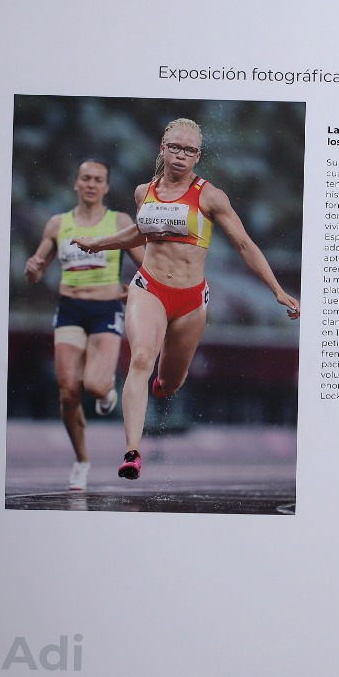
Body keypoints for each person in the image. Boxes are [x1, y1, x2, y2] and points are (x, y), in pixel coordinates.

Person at [71, 118, 300, 480]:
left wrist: (277, 290)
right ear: (162, 149)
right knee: (141, 358)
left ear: (198, 156)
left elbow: (244, 244)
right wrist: (97, 243)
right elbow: (140, 233)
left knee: (171, 382)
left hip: (191, 300)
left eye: (189, 150)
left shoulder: (210, 196)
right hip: (149, 288)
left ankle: (166, 385)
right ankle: (132, 452)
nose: (181, 155)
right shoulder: (142, 191)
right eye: (174, 147)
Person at [24, 159, 140, 490]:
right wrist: (33, 270)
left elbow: (148, 265)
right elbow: (36, 269)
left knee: (93, 385)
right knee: (68, 391)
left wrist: (136, 286)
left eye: (97, 180)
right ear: (76, 183)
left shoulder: (119, 221)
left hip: (105, 310)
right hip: (70, 309)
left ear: (105, 186)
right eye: (85, 178)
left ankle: (107, 392)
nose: (90, 184)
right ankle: (82, 460)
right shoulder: (58, 223)